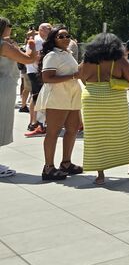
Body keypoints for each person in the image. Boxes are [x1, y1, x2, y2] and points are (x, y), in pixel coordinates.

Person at [80, 33, 129, 185]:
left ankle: (100, 175)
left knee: (95, 136)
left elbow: (82, 77)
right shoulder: (119, 61)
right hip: (114, 99)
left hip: (91, 98)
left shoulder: (88, 60)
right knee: (121, 132)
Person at [38, 25, 82, 181]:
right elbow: (47, 78)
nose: (66, 38)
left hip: (72, 96)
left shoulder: (67, 53)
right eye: (61, 36)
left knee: (73, 129)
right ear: (53, 39)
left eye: (67, 36)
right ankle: (48, 167)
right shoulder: (52, 55)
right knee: (53, 132)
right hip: (57, 97)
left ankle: (66, 163)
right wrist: (73, 76)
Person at [0, 17, 38, 178]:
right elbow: (29, 59)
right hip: (4, 86)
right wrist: (31, 44)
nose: (11, 28)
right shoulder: (3, 46)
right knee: (2, 122)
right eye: (9, 25)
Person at [24, 23, 51, 137]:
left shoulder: (41, 39)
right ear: (41, 30)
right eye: (48, 28)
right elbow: (36, 57)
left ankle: (34, 122)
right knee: (37, 97)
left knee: (36, 97)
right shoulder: (38, 41)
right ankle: (37, 123)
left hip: (37, 71)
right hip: (36, 72)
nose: (51, 30)